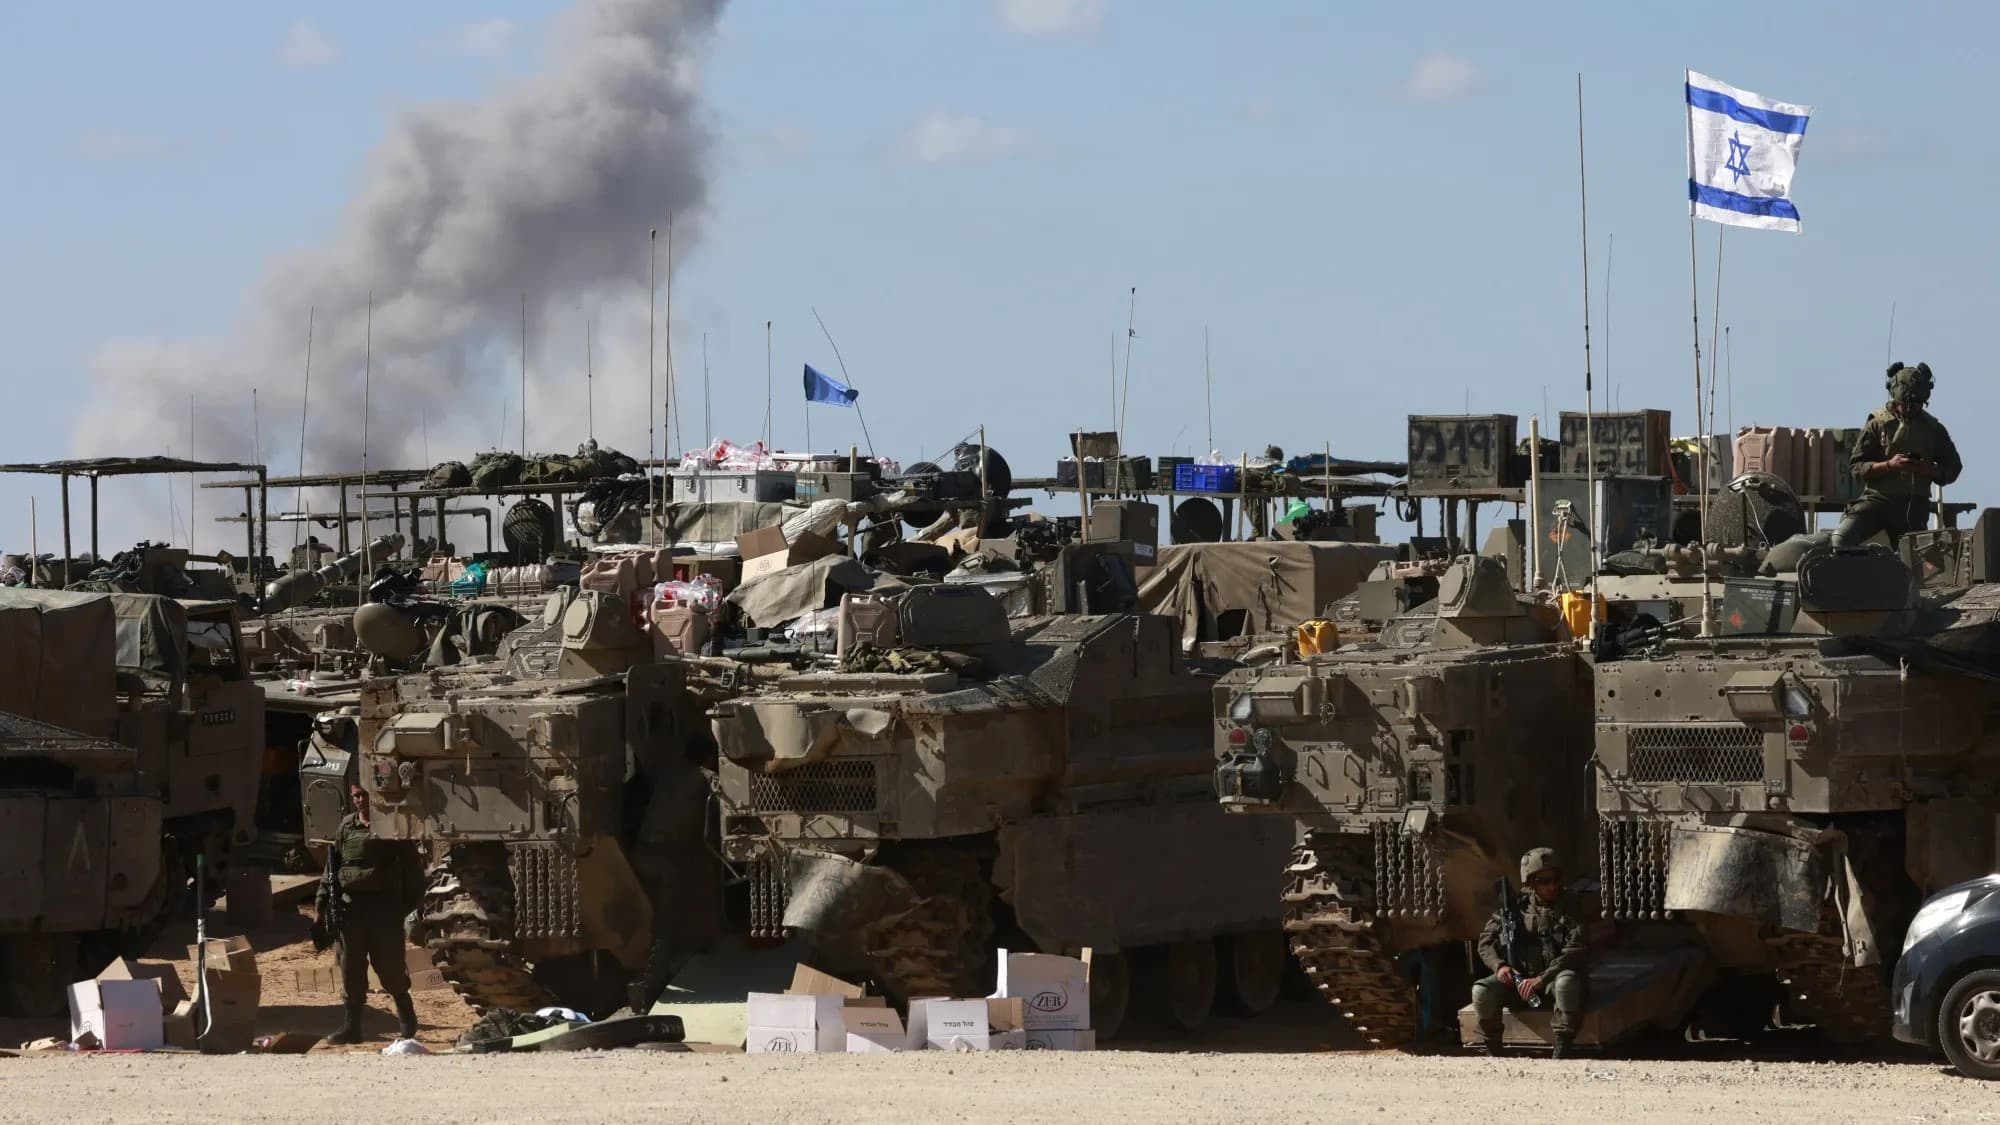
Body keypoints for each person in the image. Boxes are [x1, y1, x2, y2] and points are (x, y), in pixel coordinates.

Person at [315, 784, 425, 1044]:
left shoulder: (390, 825)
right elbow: (332, 869)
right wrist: (320, 907)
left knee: (390, 969)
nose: (360, 800)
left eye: (364, 794)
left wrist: (407, 907)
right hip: (350, 909)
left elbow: (412, 870)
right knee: (350, 968)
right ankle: (352, 1027)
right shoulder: (347, 827)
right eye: (355, 795)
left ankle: (407, 1017)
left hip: (383, 911)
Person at [1470, 847, 1588, 1058]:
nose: (1552, 886)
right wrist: (1500, 966)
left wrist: (1542, 979)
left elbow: (1575, 948)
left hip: (1552, 979)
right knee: (1481, 991)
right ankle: (1493, 1049)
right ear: (1531, 883)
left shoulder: (1570, 903)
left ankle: (1562, 1048)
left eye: (1555, 879)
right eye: (1544, 881)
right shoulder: (1515, 907)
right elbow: (1485, 944)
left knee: (1566, 983)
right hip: (1519, 980)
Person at [1833, 362, 1961, 547]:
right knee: (1840, 541)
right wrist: (1889, 465)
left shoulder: (1933, 429)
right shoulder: (1877, 424)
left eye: (1917, 404)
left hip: (1914, 505)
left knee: (1922, 565)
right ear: (1895, 398)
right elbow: (1856, 467)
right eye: (1906, 404)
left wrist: (1928, 470)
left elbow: (1953, 467)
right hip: (1877, 501)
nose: (1911, 409)